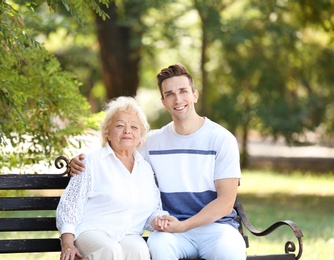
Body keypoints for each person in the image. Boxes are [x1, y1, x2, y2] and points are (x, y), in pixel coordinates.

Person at [69, 64, 247, 260]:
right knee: (157, 245)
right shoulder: (151, 142)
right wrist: (77, 161)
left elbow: (225, 202)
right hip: (171, 233)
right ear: (163, 102)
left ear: (194, 95)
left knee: (230, 251)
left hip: (217, 230)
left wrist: (184, 225)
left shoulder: (221, 139)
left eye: (183, 91)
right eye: (170, 94)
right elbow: (116, 150)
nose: (178, 99)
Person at [56, 96, 168, 260]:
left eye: (134, 127)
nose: (127, 131)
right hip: (92, 231)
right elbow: (69, 207)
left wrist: (158, 220)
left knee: (140, 250)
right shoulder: (91, 163)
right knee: (111, 250)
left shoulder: (145, 168)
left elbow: (151, 211)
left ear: (141, 135)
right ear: (107, 132)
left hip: (128, 233)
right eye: (120, 125)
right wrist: (67, 244)